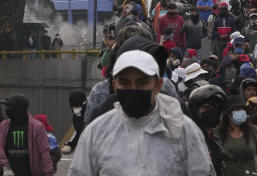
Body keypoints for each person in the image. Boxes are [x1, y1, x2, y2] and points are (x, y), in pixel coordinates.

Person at [69, 47, 212, 175]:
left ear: (158, 85)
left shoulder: (184, 130)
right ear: (114, 86)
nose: (133, 89)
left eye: (142, 82)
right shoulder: (97, 132)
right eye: (125, 83)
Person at [0, 93, 52, 176]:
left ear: (18, 108)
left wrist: (48, 172)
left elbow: (44, 151)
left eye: (9, 106)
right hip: (8, 173)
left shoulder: (37, 127)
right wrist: (6, 167)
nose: (6, 109)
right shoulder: (3, 125)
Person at [216, 95, 257, 176]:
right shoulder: (216, 133)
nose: (241, 111)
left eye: (243, 109)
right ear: (228, 113)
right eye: (237, 109)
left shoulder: (252, 130)